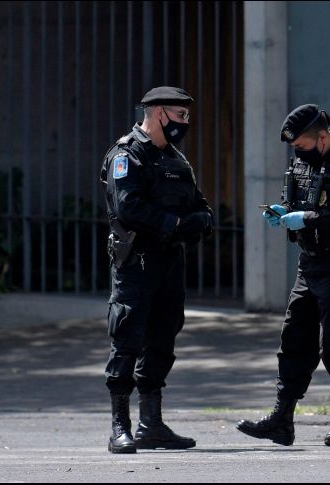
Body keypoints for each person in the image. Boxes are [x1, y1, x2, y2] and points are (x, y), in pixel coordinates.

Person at [236, 104, 330, 447]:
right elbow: (299, 196)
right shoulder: (304, 159)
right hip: (309, 264)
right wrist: (284, 211)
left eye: (301, 145)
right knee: (294, 340)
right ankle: (282, 419)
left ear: (323, 136)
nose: (297, 152)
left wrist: (306, 219)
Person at [99, 86, 213, 454]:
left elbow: (199, 202)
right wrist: (177, 225)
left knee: (163, 338)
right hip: (137, 261)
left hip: (169, 263)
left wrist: (203, 219)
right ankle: (120, 426)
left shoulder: (176, 159)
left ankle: (151, 424)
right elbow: (129, 207)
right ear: (159, 113)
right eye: (181, 116)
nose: (186, 123)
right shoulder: (127, 155)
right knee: (128, 336)